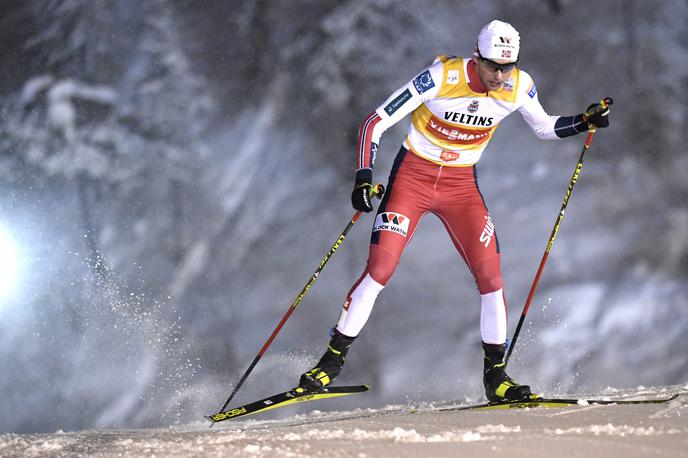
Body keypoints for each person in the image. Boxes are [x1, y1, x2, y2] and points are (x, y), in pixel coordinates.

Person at [296, 20, 610, 402]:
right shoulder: (441, 77)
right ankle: (329, 364)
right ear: (477, 57)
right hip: (412, 179)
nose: (499, 75)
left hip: (460, 188)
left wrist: (584, 121)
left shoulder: (518, 86)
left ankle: (496, 377)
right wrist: (364, 176)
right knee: (380, 269)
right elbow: (374, 123)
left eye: (507, 67)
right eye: (493, 65)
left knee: (491, 276)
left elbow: (543, 127)